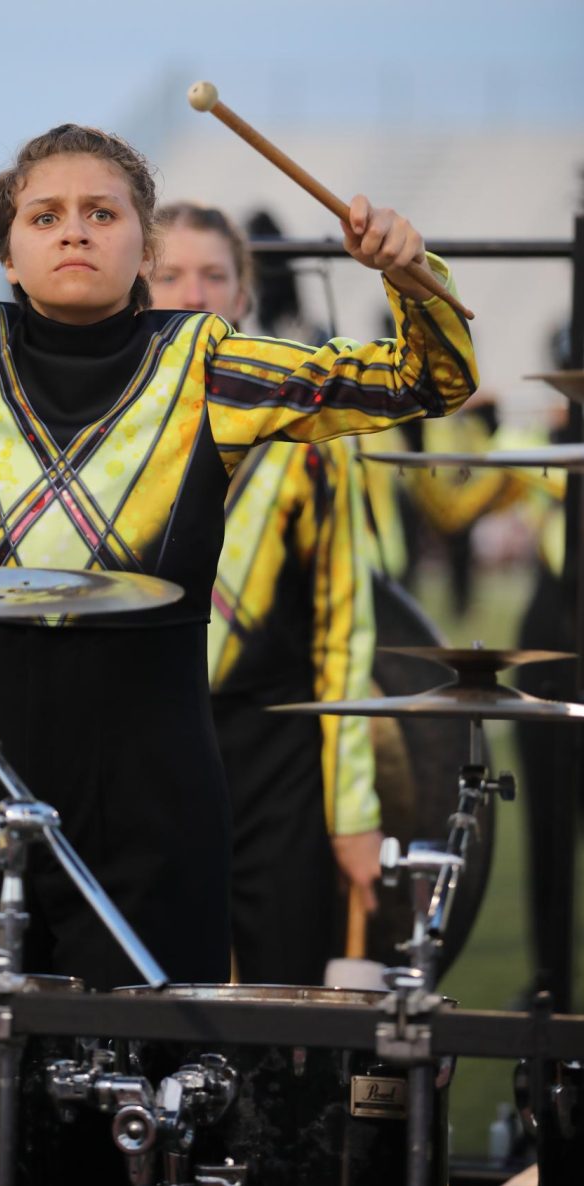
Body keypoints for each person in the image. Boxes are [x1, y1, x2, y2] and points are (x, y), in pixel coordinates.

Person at [0, 123, 477, 989]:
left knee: (154, 1077)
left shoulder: (208, 365)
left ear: (146, 248)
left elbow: (428, 378)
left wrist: (409, 274)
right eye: (46, 216)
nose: (74, 231)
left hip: (158, 796)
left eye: (102, 213)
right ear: (8, 254)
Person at [151, 202, 380, 983]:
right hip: (145, 752)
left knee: (282, 1003)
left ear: (243, 295)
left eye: (214, 275)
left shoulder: (307, 432)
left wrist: (352, 813)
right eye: (169, 274)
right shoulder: (110, 428)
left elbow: (344, 635)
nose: (193, 293)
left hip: (274, 760)